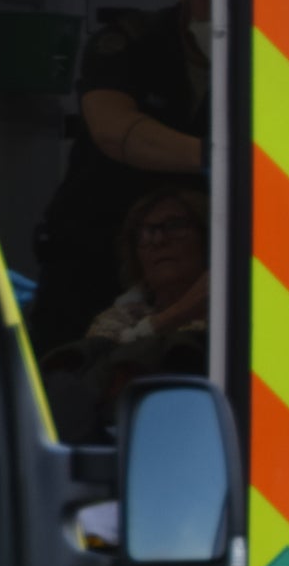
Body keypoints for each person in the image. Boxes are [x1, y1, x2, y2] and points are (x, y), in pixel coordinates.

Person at [30, 0, 212, 350]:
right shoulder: (130, 42)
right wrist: (220, 158)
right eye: (209, 0)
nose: (221, 17)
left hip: (186, 260)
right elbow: (113, 128)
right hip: (91, 247)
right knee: (71, 368)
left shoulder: (265, 57)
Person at [40, 189, 209, 442]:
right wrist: (169, 318)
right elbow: (105, 380)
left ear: (207, 239)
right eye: (146, 232)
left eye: (174, 226)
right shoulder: (120, 318)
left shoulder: (237, 313)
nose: (158, 240)